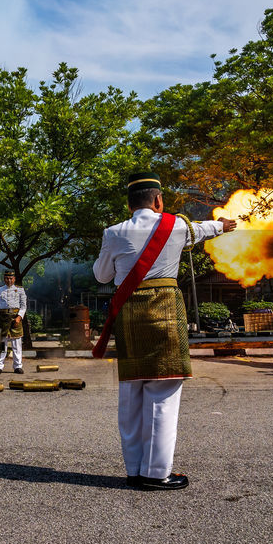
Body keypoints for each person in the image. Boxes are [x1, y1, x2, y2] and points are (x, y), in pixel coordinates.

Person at [92, 172, 235, 491]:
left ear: (130, 204)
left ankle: (134, 469)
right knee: (163, 393)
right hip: (166, 311)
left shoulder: (113, 232)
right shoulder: (176, 226)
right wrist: (223, 225)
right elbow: (203, 230)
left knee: (132, 391)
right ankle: (156, 473)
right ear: (158, 200)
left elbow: (102, 276)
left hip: (129, 313)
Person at [0, 269, 26, 375]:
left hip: (16, 318)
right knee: (2, 344)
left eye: (11, 278)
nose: (9, 280)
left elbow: (24, 306)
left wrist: (19, 317)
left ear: (14, 279)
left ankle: (18, 366)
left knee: (16, 344)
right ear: (4, 279)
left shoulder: (20, 290)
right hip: (3, 318)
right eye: (7, 278)